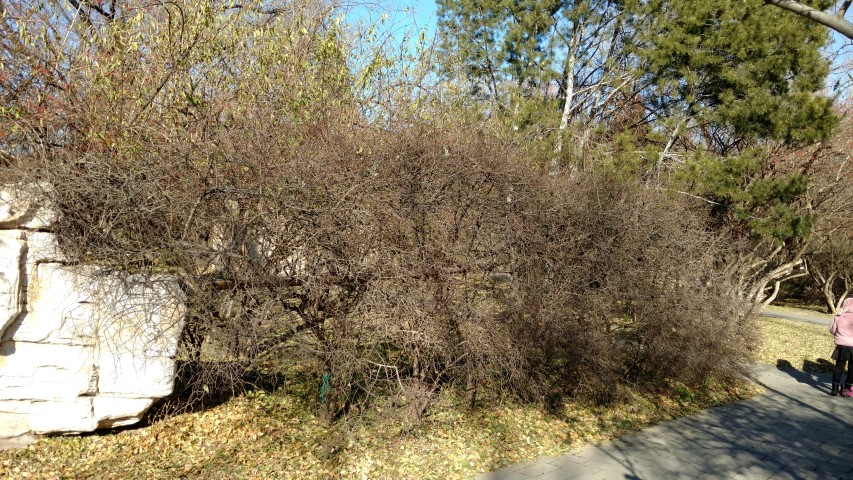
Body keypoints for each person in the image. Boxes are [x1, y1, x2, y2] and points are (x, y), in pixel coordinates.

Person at [829, 297, 853, 396]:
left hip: (841, 346)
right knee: (852, 368)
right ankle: (847, 389)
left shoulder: (839, 317)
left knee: (839, 366)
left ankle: (834, 388)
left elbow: (832, 330)